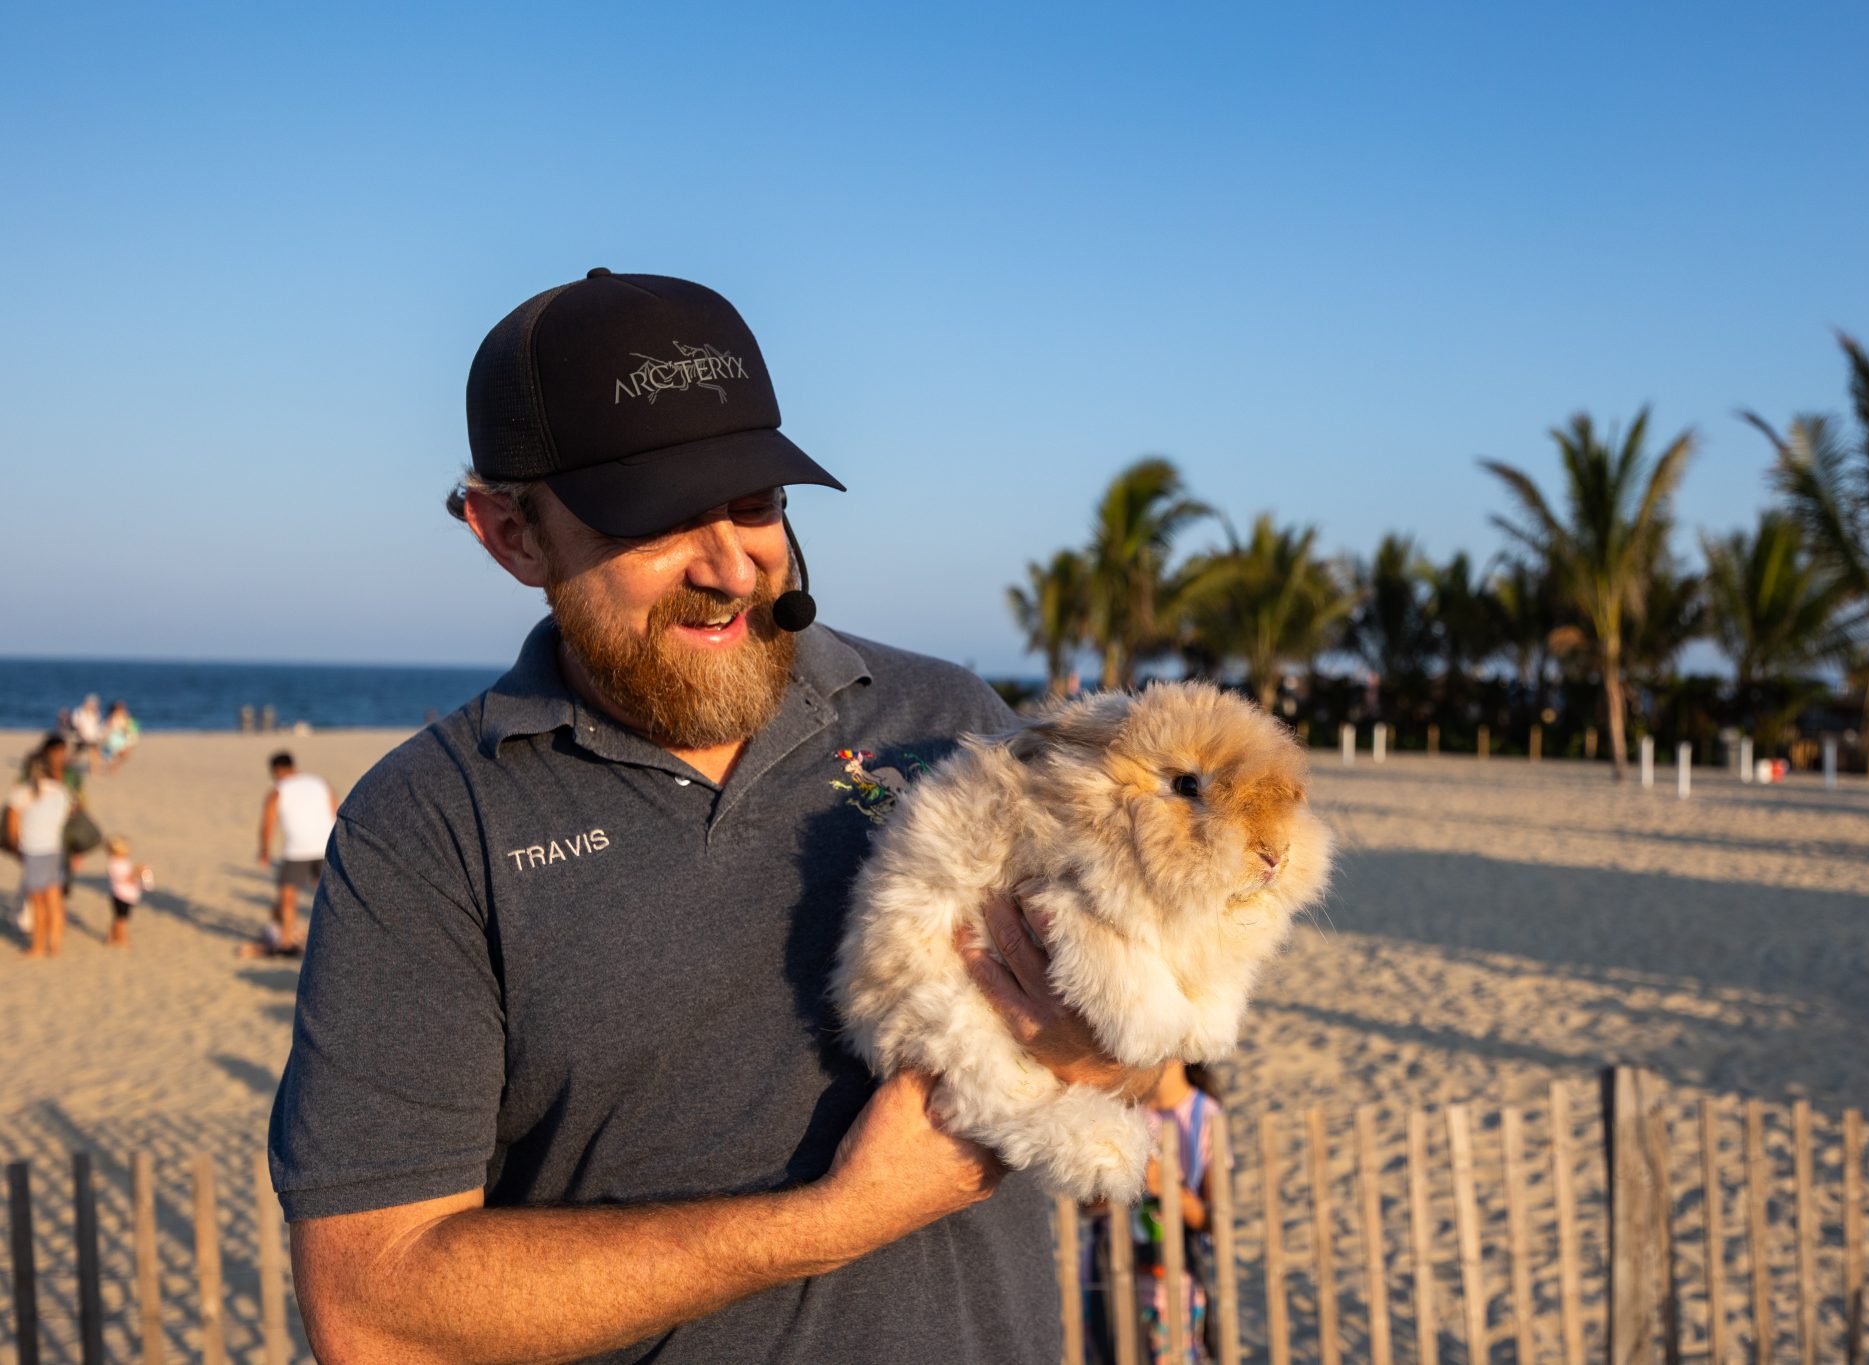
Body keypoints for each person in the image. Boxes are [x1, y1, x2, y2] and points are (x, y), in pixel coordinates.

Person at [269, 270, 1158, 1364]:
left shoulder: (951, 721)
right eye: (658, 520)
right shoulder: (427, 827)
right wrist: (830, 1223)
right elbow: (371, 1310)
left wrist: (1090, 1043)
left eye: (757, 503)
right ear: (510, 535)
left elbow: (1145, 1051)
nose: (731, 567)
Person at [1083, 1062, 1226, 1364]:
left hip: (1174, 1283)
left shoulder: (1205, 1115)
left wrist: (1169, 1186)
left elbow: (1216, 1222)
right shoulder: (1119, 1108)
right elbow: (1088, 1206)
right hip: (1112, 1272)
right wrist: (1125, 1180)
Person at [256, 751, 336, 953]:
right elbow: (336, 811)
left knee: (288, 897)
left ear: (275, 770)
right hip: (325, 846)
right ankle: (330, 939)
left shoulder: (277, 791)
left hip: (297, 849)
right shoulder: (319, 783)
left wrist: (264, 851)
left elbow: (268, 825)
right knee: (326, 895)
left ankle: (286, 941)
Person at [6, 737, 76, 958]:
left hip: (33, 851)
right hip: (54, 849)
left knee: (37, 902)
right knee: (54, 900)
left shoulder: (21, 794)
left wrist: (17, 849)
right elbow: (65, 817)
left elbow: (12, 830)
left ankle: (37, 946)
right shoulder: (62, 792)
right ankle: (54, 945)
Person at [104, 835, 152, 947]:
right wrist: (137, 872)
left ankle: (113, 937)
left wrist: (138, 870)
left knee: (119, 918)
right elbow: (123, 878)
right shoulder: (113, 864)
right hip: (120, 895)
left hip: (128, 895)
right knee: (121, 920)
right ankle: (120, 939)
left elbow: (128, 873)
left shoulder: (123, 861)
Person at [100, 701, 139, 772]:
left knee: (124, 754)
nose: (122, 709)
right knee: (113, 754)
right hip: (113, 737)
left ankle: (114, 764)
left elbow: (131, 727)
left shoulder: (126, 716)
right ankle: (112, 766)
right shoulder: (111, 717)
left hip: (122, 737)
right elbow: (107, 727)